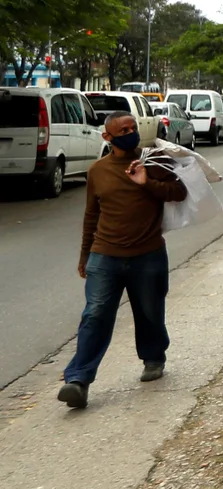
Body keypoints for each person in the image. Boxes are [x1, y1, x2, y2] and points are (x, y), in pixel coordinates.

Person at [57, 114, 187, 409]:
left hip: (148, 254)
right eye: (122, 131)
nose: (130, 134)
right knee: (95, 313)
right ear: (107, 138)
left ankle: (153, 358)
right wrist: (84, 255)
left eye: (133, 129)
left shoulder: (154, 161)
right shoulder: (98, 170)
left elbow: (179, 192)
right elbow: (91, 214)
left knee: (150, 311)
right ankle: (78, 380)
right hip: (105, 255)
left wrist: (146, 182)